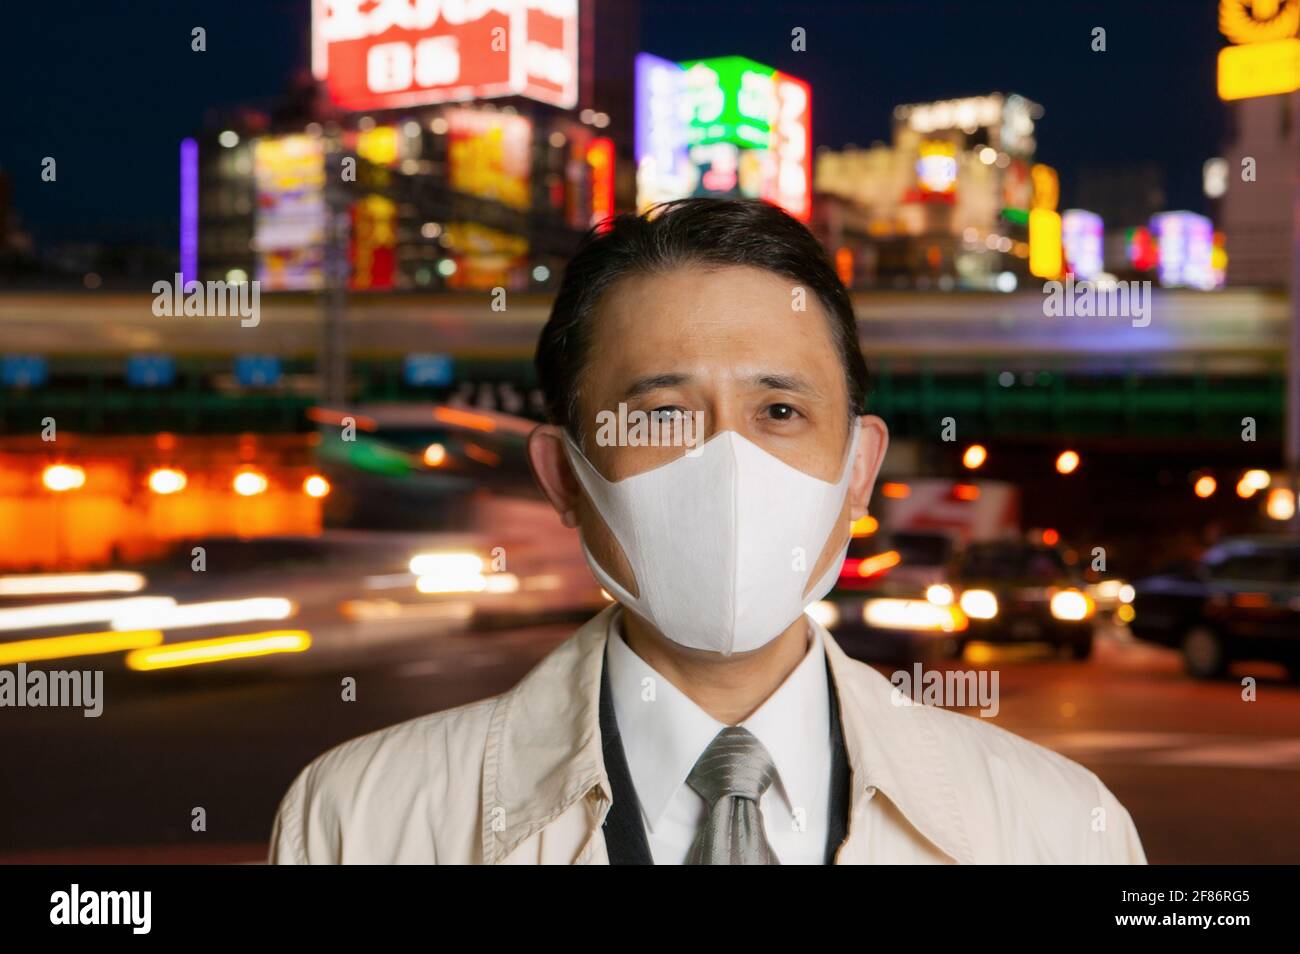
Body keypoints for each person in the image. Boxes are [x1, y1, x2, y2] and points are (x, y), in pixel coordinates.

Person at [269, 198, 1146, 865]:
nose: (730, 464)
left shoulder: (1063, 828)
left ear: (858, 473)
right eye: (659, 415)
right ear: (564, 476)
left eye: (778, 409)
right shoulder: (362, 819)